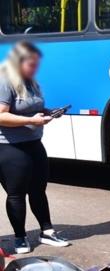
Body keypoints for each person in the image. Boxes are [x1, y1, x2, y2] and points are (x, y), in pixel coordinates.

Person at [0, 41, 69, 254]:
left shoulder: (31, 82)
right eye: (31, 64)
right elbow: (1, 115)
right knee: (16, 193)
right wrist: (32, 120)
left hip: (34, 143)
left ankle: (46, 231)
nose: (34, 68)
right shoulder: (5, 81)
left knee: (39, 190)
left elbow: (34, 107)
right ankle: (20, 237)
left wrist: (49, 112)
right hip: (11, 147)